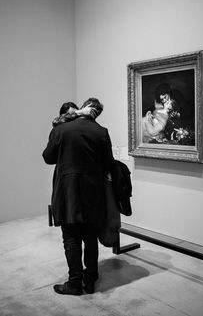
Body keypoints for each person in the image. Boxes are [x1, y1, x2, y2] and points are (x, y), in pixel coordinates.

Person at [42, 98, 114, 296]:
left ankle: (75, 283)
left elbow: (48, 157)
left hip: (68, 191)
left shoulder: (62, 129)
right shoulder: (101, 132)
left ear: (83, 108)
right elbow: (109, 164)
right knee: (90, 236)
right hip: (93, 191)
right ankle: (90, 279)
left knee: (71, 237)